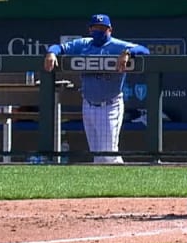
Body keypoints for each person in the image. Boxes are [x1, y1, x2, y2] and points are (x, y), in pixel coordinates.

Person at [44, 14, 150, 164]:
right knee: (98, 154)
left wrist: (127, 53)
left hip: (110, 105)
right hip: (88, 104)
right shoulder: (84, 44)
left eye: (103, 28)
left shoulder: (118, 45)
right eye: (96, 28)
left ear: (110, 30)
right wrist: (51, 53)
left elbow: (144, 50)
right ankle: (108, 183)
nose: (99, 31)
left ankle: (121, 180)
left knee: (108, 154)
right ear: (90, 29)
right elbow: (59, 47)